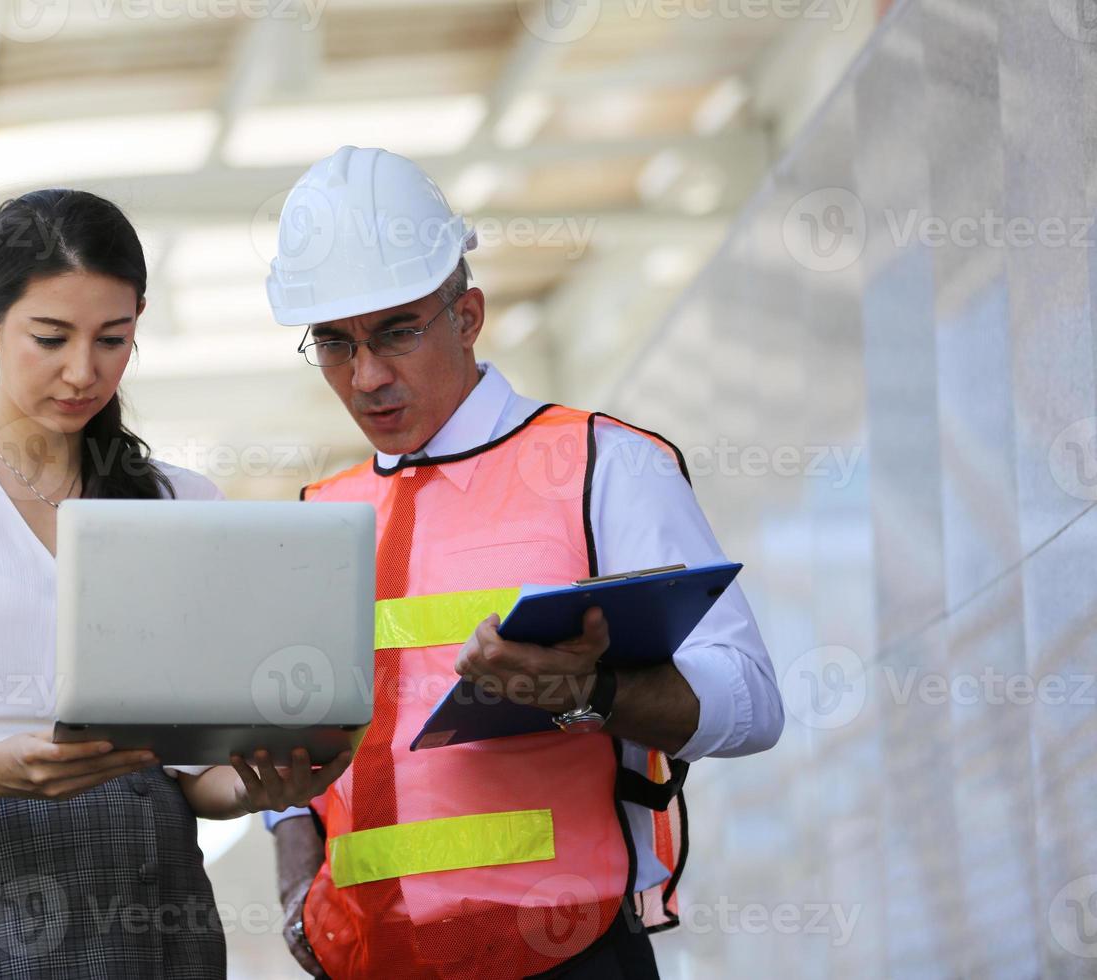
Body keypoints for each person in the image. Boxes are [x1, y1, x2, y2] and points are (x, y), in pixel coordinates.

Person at [0, 189, 350, 980]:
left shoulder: (181, 502)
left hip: (156, 889)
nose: (83, 371)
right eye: (49, 338)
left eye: (112, 339)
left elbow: (197, 777)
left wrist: (260, 787)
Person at [261, 147, 785, 980]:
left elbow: (753, 703)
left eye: (397, 332)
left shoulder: (603, 464)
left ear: (467, 314)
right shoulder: (320, 515)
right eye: (333, 344)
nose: (365, 377)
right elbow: (289, 739)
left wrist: (592, 693)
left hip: (562, 960)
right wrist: (295, 882)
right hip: (364, 962)